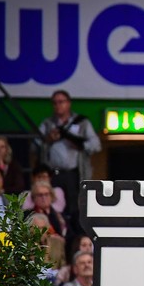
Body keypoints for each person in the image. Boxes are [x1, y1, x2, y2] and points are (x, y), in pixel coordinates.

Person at [39, 90, 101, 232]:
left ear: (69, 103)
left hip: (74, 174)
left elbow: (96, 145)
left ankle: (76, 235)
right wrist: (48, 140)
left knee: (74, 208)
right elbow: (34, 144)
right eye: (54, 103)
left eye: (61, 102)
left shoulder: (81, 122)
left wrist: (79, 144)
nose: (58, 106)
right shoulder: (48, 124)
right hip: (52, 174)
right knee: (53, 205)